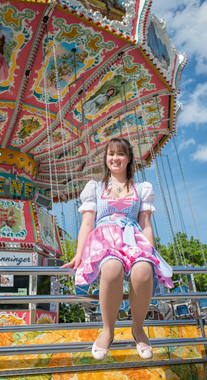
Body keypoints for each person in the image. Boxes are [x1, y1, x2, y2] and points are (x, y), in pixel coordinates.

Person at [61, 137, 173, 360]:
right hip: (104, 238)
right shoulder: (95, 187)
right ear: (105, 158)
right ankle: (108, 331)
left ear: (129, 158)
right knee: (112, 269)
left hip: (133, 238)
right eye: (111, 154)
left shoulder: (141, 189)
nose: (115, 158)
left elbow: (145, 224)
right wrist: (78, 254)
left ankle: (138, 329)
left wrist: (151, 252)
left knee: (143, 271)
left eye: (120, 154)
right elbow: (87, 223)